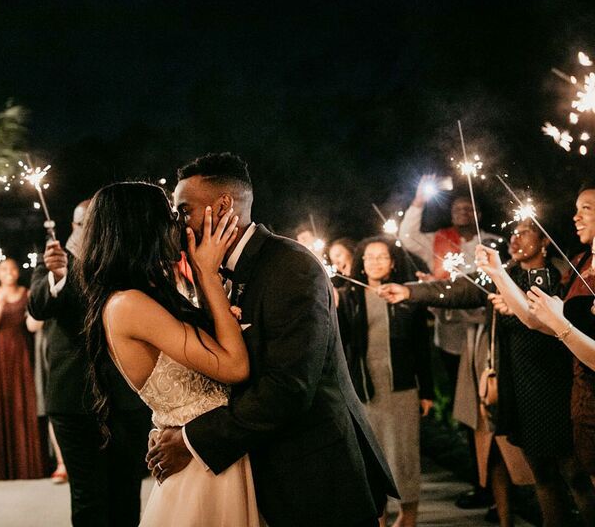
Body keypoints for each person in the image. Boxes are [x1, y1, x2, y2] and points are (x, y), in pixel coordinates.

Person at [150, 153, 397, 526]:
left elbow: (288, 388)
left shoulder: (290, 267)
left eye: (185, 211)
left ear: (223, 206)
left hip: (315, 476)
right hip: (260, 474)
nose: (178, 222)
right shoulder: (211, 273)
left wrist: (192, 440)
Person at [384, 219, 595, 526]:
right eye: (513, 233)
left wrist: (519, 306)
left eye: (524, 232)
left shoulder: (563, 277)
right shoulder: (504, 275)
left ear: (544, 241)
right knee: (541, 474)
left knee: (574, 473)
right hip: (521, 384)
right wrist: (409, 291)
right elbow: (457, 290)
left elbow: (565, 321)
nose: (516, 238)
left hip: (557, 383)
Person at [75, 180, 262, 526]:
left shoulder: (148, 296)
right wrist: (206, 273)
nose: (177, 224)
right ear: (141, 227)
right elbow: (234, 367)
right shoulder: (129, 304)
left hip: (213, 457)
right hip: (203, 472)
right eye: (169, 215)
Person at [28, 200, 152, 526]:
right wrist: (59, 277)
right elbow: (38, 305)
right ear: (75, 226)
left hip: (126, 397)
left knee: (126, 496)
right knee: (88, 501)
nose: (93, 232)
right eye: (86, 225)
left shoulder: (124, 261)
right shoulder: (56, 261)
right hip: (73, 398)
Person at [476, 180, 595, 484]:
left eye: (587, 209)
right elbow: (535, 321)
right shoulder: (581, 263)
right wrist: (497, 272)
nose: (576, 217)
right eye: (576, 209)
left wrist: (561, 324)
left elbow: (562, 330)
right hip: (582, 400)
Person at [399, 174, 499, 511]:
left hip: (488, 335)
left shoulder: (493, 243)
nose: (461, 212)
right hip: (452, 338)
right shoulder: (439, 240)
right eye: (456, 208)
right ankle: (480, 481)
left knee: (488, 415)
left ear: (478, 213)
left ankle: (495, 485)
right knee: (466, 416)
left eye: (467, 207)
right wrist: (418, 200)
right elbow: (407, 235)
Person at [337, 237, 432, 527]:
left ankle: (408, 517)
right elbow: (342, 340)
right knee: (371, 462)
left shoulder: (406, 296)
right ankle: (379, 519)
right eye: (369, 257)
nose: (376, 261)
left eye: (382, 256)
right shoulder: (348, 296)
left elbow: (421, 347)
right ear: (361, 264)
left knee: (403, 458)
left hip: (401, 388)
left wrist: (426, 391)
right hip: (364, 390)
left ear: (392, 262)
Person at [0, 258, 44, 480]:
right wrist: (0, 303)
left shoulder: (26, 292)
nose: (9, 272)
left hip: (19, 351)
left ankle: (25, 465)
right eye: (4, 269)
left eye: (13, 268)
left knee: (20, 402)